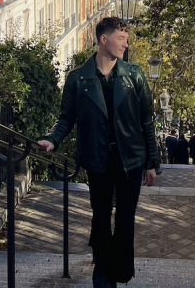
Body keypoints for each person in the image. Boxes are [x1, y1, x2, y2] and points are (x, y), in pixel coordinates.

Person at [38, 17, 158, 288]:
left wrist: (152, 162)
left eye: (126, 40)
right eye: (121, 39)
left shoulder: (135, 75)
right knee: (101, 216)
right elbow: (66, 118)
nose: (126, 45)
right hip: (97, 158)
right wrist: (52, 140)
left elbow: (146, 121)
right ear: (104, 39)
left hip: (131, 158)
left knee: (126, 218)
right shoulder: (78, 79)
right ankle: (103, 272)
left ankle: (118, 268)